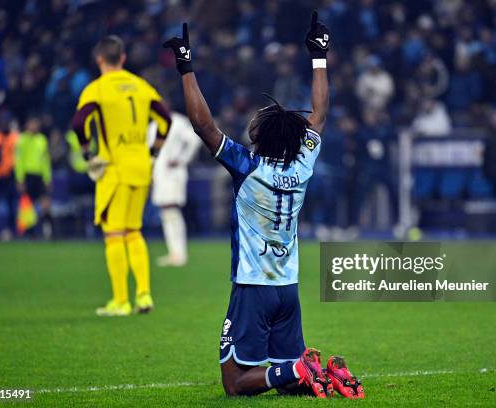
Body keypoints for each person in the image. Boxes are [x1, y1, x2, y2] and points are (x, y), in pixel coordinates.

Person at [163, 12, 364, 399]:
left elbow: (204, 126)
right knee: (290, 384)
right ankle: (321, 372)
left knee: (235, 384)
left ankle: (302, 365)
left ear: (263, 136)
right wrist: (319, 57)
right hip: (288, 286)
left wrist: (186, 67)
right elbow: (318, 116)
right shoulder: (303, 163)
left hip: (253, 288)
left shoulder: (248, 168)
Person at [71, 35, 172, 317]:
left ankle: (120, 301)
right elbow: (165, 118)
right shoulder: (141, 86)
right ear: (123, 58)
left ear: (99, 59)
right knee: (134, 232)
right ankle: (143, 295)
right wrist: (153, 151)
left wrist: (87, 153)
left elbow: (80, 121)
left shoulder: (97, 89)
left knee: (114, 234)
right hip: (140, 166)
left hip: (114, 169)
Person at [150, 111, 201, 267]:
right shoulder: (152, 126)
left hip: (173, 174)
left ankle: (179, 253)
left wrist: (182, 159)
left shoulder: (177, 122)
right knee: (167, 213)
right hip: (160, 175)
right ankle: (175, 252)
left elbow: (194, 140)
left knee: (171, 211)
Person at [14, 116, 53, 238]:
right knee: (27, 205)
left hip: (39, 175)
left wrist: (47, 178)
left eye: (36, 123)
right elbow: (18, 161)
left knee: (45, 203)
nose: (34, 126)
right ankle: (29, 232)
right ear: (27, 124)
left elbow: (46, 161)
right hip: (27, 175)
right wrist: (20, 179)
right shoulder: (22, 140)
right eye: (32, 123)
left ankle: (49, 229)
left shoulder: (42, 140)